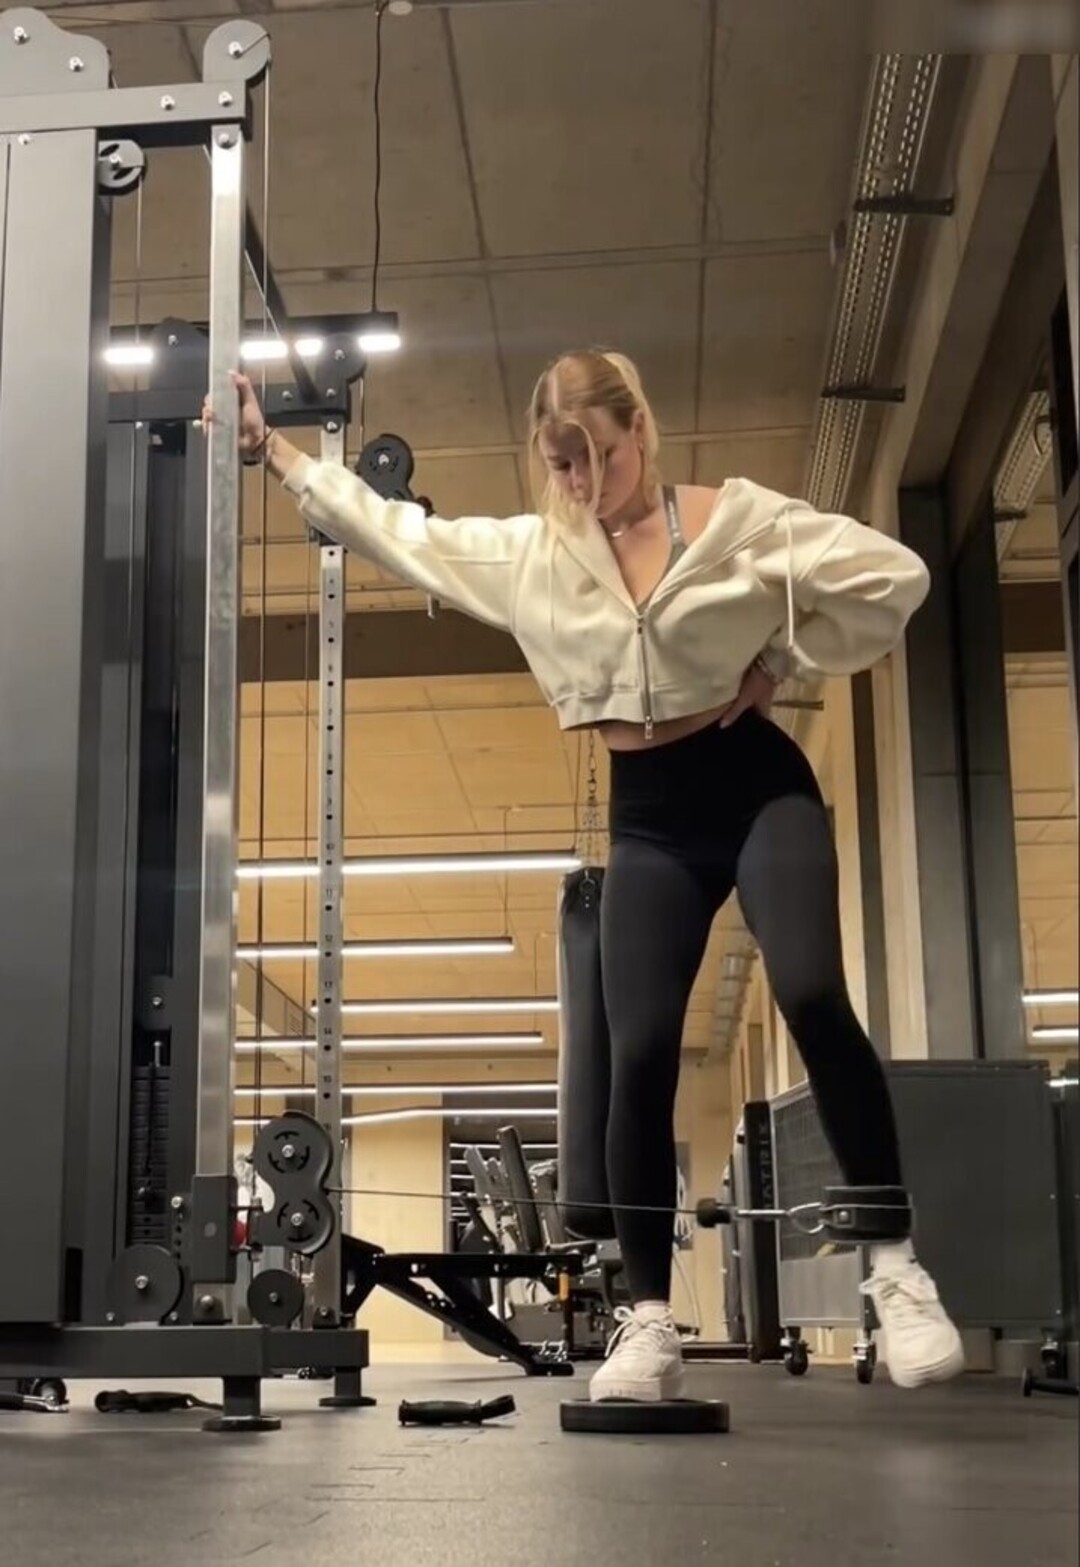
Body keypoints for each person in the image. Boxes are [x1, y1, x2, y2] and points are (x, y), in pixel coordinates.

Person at [207, 349, 965, 1402]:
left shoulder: (739, 523)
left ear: (638, 429)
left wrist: (785, 660)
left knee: (810, 990)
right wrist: (276, 453)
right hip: (649, 819)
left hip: (757, 786)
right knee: (638, 1047)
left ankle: (895, 1265)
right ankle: (648, 1319)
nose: (580, 483)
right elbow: (404, 536)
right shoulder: (536, 555)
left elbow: (895, 577)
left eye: (598, 457)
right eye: (560, 464)